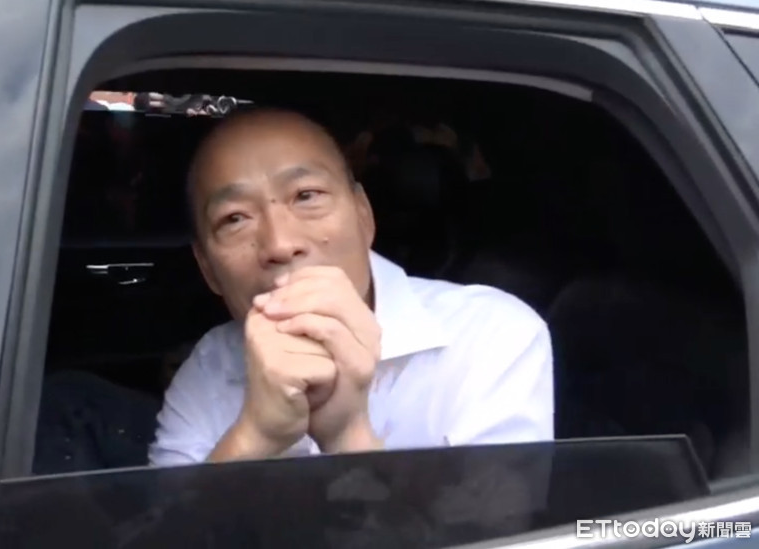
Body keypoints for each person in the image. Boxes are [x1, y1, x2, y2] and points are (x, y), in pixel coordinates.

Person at [148, 108, 553, 466]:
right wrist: (257, 436)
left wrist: (348, 436)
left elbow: (502, 523)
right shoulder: (209, 368)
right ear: (208, 268)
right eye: (235, 218)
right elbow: (163, 524)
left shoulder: (489, 335)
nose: (280, 244)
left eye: (306, 196)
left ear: (363, 216)